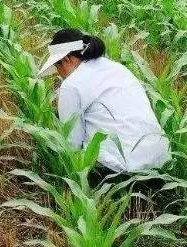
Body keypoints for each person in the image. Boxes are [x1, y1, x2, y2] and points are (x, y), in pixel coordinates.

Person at [38, 28, 171, 186]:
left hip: (123, 171)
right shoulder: (117, 68)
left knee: (86, 146)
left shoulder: (71, 86)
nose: (59, 74)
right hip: (161, 161)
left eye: (57, 67)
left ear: (67, 59)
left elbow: (72, 144)